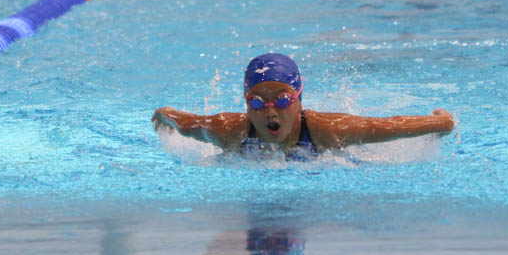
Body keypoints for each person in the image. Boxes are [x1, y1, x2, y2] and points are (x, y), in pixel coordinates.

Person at [152, 53, 454, 158]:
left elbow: (387, 126)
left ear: (299, 101)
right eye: (257, 101)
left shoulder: (327, 130)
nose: (271, 110)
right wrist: (163, 115)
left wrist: (442, 123)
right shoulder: (228, 130)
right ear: (245, 105)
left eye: (283, 99)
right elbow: (187, 123)